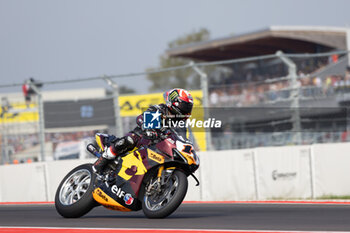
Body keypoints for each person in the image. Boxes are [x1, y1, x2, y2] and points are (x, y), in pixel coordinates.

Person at [93, 88, 194, 173]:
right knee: (130, 139)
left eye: (188, 107)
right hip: (142, 138)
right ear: (174, 102)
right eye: (184, 106)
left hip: (158, 148)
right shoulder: (160, 110)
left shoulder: (181, 124)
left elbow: (182, 139)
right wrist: (148, 129)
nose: (186, 110)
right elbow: (141, 118)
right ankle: (104, 159)